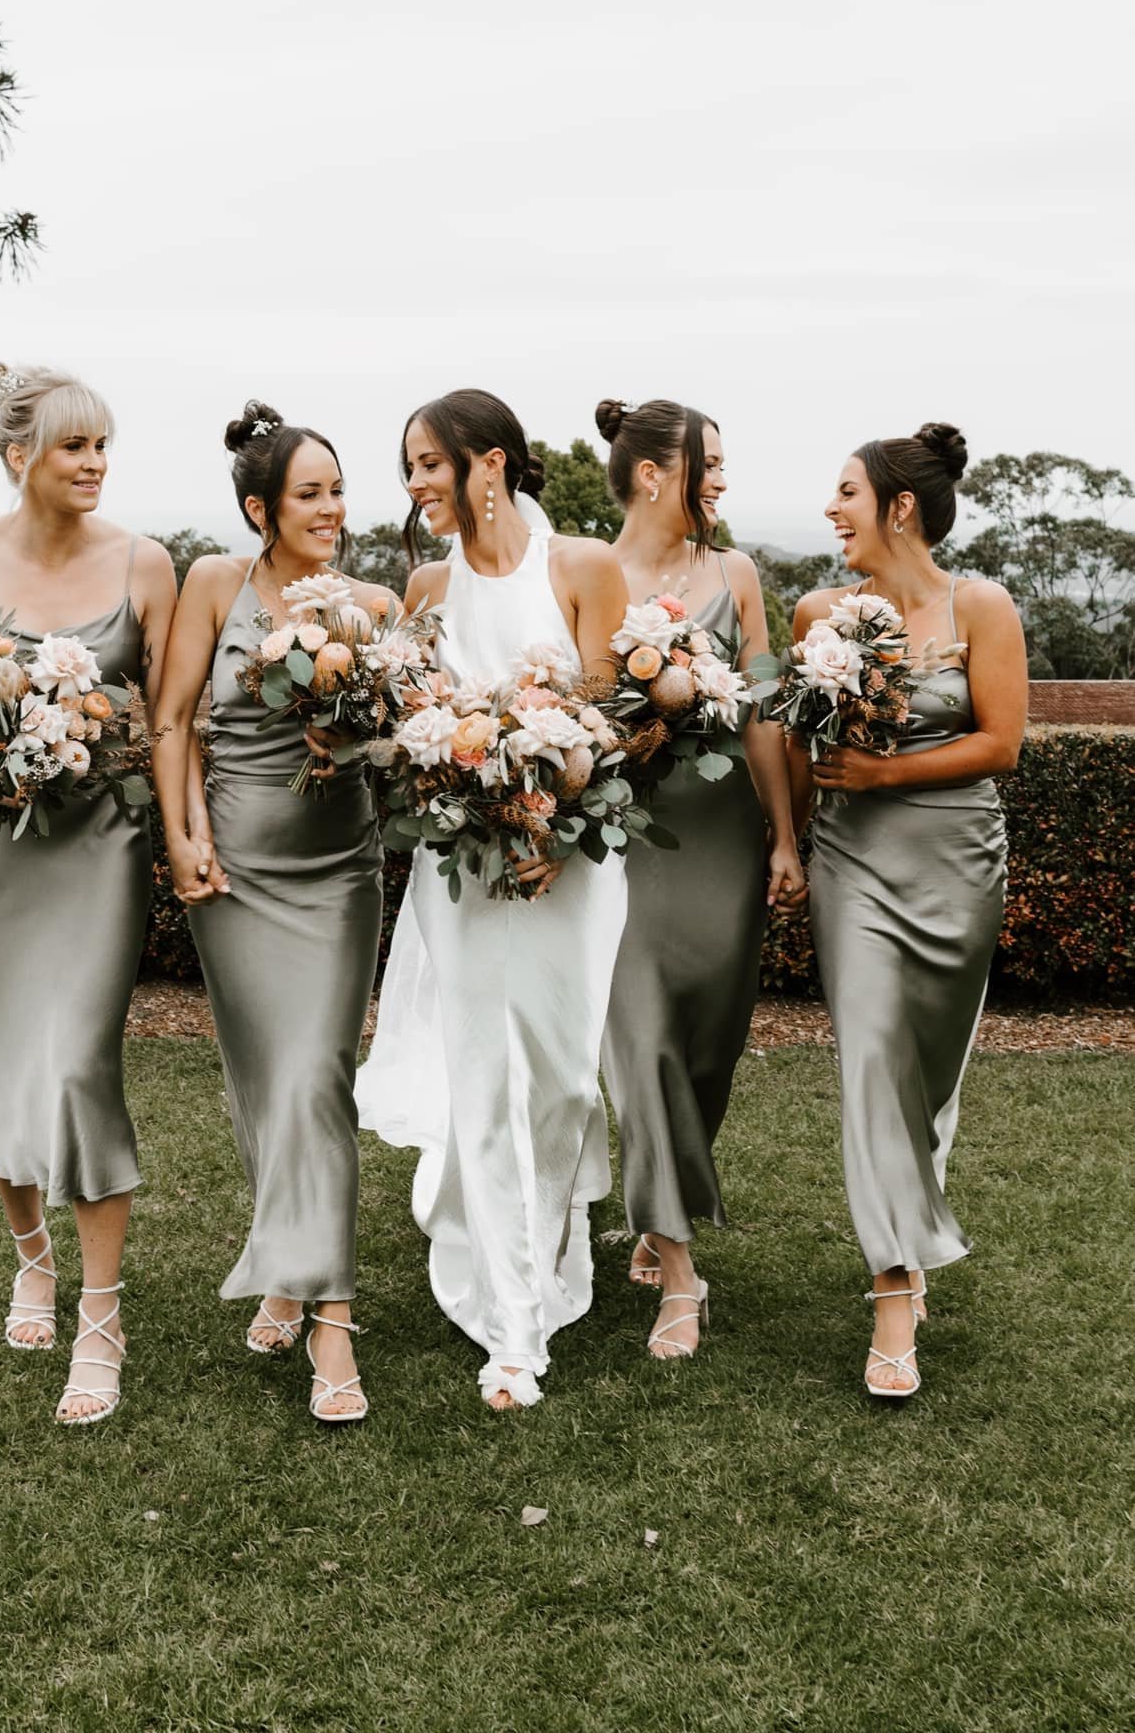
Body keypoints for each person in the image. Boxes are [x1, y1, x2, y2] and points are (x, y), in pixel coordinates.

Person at [0, 362, 177, 1425]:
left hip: (101, 845)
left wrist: (183, 834)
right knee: (5, 1058)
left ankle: (101, 1322)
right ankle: (33, 1257)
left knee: (77, 1063)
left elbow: (165, 718)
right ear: (21, 454)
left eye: (104, 443)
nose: (96, 463)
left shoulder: (146, 563)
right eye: (75, 445)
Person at [355, 389, 630, 1412]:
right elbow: (416, 727)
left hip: (573, 867)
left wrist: (552, 820)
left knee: (559, 1078)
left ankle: (549, 1248)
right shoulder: (427, 584)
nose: (418, 482)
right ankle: (511, 1329)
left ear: (492, 462)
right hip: (461, 870)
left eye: (429, 461)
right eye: (409, 466)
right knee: (482, 1070)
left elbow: (614, 725)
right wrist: (456, 782)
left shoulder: (583, 567)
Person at [152, 400, 388, 1424]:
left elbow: (398, 734)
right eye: (310, 493)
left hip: (341, 871)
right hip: (237, 875)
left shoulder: (369, 602)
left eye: (337, 488)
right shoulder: (214, 581)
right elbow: (170, 721)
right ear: (260, 507)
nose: (331, 507)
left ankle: (331, 1315)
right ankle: (289, 1271)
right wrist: (182, 835)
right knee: (262, 1085)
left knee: (314, 1077)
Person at [791, 423, 1025, 1398]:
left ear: (897, 505)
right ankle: (892, 1290)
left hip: (956, 862)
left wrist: (888, 766)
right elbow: (802, 739)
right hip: (854, 863)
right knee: (872, 1055)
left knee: (923, 1075)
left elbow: (1000, 742)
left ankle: (909, 1213)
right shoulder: (819, 610)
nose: (830, 509)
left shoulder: (980, 604)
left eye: (845, 491)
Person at [595, 397, 806, 1360]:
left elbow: (762, 704)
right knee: (640, 1042)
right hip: (624, 837)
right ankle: (681, 1272)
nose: (720, 479)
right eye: (706, 463)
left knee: (709, 1040)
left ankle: (662, 1200)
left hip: (720, 835)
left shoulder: (737, 573)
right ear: (652, 473)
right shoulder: (589, 574)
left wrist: (783, 836)